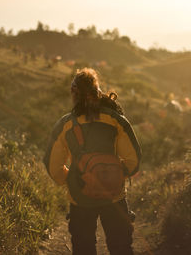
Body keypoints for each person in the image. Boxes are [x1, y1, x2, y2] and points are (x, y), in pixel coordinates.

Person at [44, 68, 141, 255]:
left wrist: (73, 179)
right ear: (98, 91)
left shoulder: (66, 124)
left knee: (83, 248)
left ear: (74, 94)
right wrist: (114, 176)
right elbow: (133, 160)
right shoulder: (115, 119)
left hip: (80, 197)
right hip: (114, 196)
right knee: (121, 247)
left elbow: (53, 166)